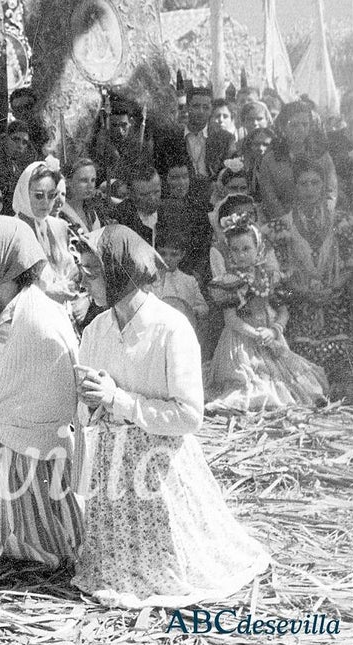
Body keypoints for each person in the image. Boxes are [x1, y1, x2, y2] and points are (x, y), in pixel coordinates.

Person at [70, 224, 270, 608]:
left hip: (159, 466)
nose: (84, 281)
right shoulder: (96, 329)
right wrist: (92, 401)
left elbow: (190, 416)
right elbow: (89, 410)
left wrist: (119, 399)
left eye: (92, 272)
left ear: (118, 271)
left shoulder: (170, 327)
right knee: (113, 572)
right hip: (112, 468)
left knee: (176, 569)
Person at [0, 215, 85, 569]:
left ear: (8, 257)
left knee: (36, 536)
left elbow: (54, 391)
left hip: (27, 442)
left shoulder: (42, 319)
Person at [204, 216, 328, 412]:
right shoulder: (229, 282)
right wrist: (257, 334)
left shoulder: (269, 276)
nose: (241, 255)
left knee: (291, 381)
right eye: (235, 250)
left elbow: (283, 310)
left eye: (246, 249)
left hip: (271, 336)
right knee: (251, 383)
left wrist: (274, 331)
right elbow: (231, 320)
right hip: (242, 340)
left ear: (258, 248)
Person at [261, 159, 353, 400]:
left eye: (315, 183)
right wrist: (304, 292)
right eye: (303, 184)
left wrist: (333, 288)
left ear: (324, 186)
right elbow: (277, 275)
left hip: (335, 299)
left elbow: (349, 265)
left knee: (342, 361)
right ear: (295, 187)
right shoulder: (279, 227)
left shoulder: (343, 222)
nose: (310, 189)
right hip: (297, 302)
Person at [11, 161, 90, 326]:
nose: (46, 202)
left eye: (52, 195)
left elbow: (76, 272)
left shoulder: (59, 226)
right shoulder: (12, 232)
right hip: (28, 320)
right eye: (39, 195)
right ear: (25, 193)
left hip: (65, 316)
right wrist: (50, 292)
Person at [257, 100, 338, 220]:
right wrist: (288, 221)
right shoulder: (271, 160)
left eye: (305, 124)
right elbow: (270, 197)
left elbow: (331, 192)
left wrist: (321, 217)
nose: (300, 129)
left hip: (320, 220)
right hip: (284, 222)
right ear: (283, 127)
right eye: (294, 125)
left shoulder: (322, 156)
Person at [147, 228, 208, 346]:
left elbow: (204, 308)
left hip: (182, 335)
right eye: (163, 254)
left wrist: (191, 310)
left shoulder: (189, 281)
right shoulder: (149, 281)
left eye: (174, 254)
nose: (168, 259)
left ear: (182, 255)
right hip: (156, 336)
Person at [59, 157, 107, 235]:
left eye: (93, 180)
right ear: (68, 182)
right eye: (84, 180)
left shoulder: (91, 211)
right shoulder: (59, 212)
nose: (90, 186)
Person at [184, 86, 214, 178]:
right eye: (196, 106)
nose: (201, 112)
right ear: (187, 107)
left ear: (211, 109)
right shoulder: (173, 136)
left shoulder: (223, 138)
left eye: (205, 107)